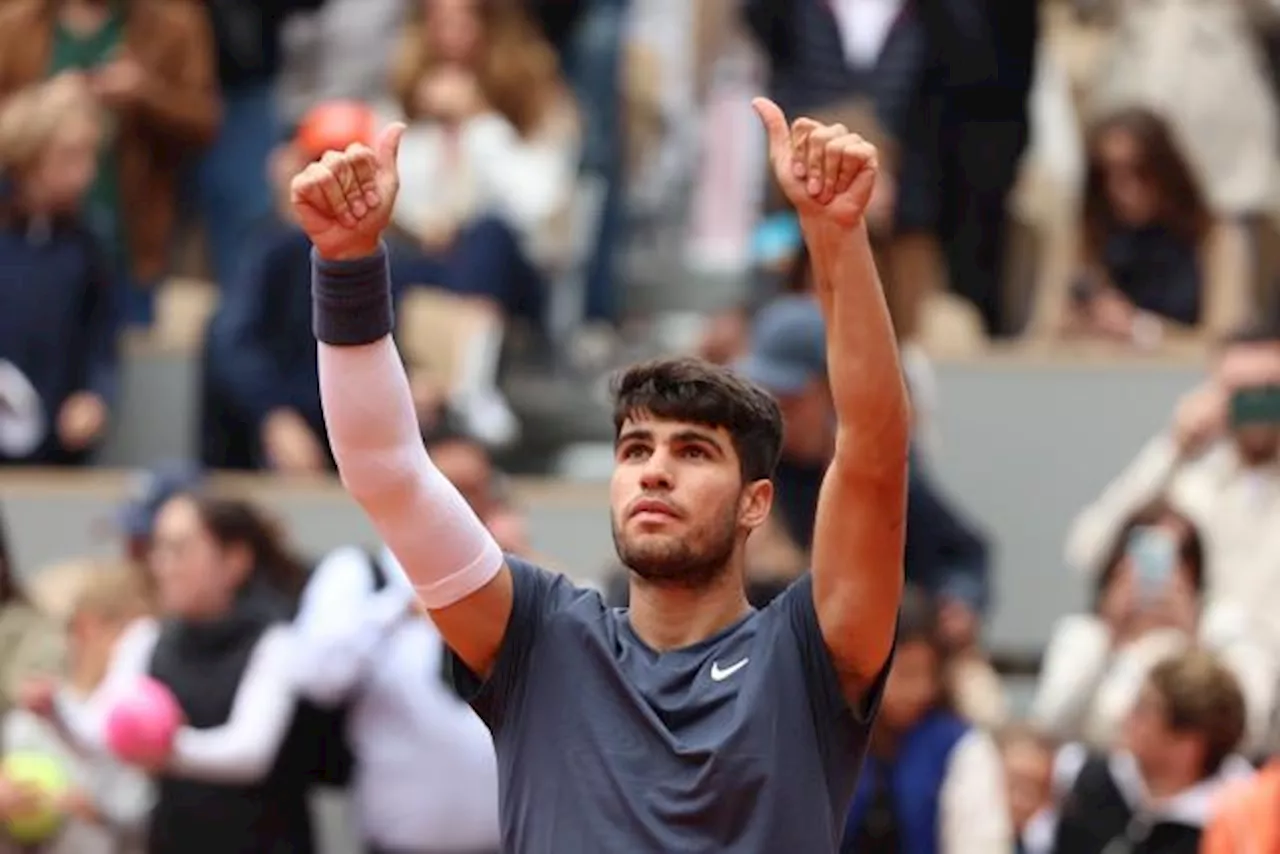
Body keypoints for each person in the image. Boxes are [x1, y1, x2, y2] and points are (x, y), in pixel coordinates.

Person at [295, 96, 908, 851]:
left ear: (757, 503)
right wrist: (348, 263)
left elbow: (875, 456)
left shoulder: (810, 652)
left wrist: (834, 234)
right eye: (635, 450)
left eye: (693, 452)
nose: (654, 472)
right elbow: (387, 470)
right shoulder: (540, 636)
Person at [23, 494, 315, 854]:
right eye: (158, 549)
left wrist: (162, 748)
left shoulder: (276, 642)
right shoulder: (146, 640)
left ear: (234, 560)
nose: (162, 565)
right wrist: (57, 713)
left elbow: (249, 754)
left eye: (179, 550)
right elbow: (103, 734)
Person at [293, 544, 501, 854]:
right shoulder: (362, 572)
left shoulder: (500, 573)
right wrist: (399, 607)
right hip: (399, 839)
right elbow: (318, 677)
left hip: (504, 840)